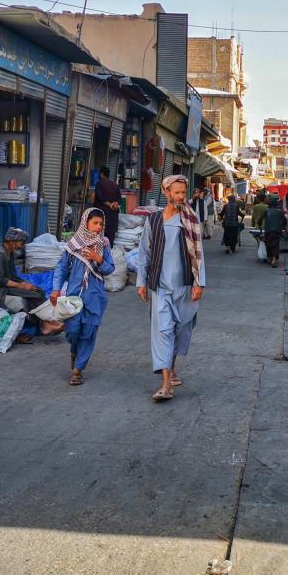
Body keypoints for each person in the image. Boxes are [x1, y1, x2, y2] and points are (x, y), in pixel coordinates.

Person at [136, 175, 206, 402]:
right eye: (175, 192)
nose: (179, 197)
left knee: (180, 330)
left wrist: (199, 283)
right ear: (166, 192)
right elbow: (144, 252)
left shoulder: (190, 219)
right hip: (160, 286)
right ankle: (165, 384)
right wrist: (141, 281)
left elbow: (198, 254)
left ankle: (172, 365)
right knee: (163, 331)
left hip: (185, 286)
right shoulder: (154, 220)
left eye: (182, 193)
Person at [51, 208, 115, 386]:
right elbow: (61, 269)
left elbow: (110, 269)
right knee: (72, 331)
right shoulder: (73, 245)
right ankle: (74, 351)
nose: (98, 227)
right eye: (95, 223)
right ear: (85, 222)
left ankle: (78, 369)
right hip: (74, 295)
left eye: (101, 224)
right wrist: (56, 290)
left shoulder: (104, 244)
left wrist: (98, 258)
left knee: (89, 331)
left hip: (95, 296)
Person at [0, 228, 45, 344]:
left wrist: (25, 284)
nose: (22, 245)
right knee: (22, 303)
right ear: (12, 241)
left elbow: (13, 275)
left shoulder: (9, 253)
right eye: (21, 242)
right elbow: (0, 280)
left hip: (7, 288)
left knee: (38, 292)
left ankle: (41, 325)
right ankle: (22, 333)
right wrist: (21, 287)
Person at [94, 166, 122, 245]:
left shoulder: (99, 183)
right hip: (112, 218)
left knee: (98, 242)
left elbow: (100, 197)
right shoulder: (115, 185)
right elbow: (119, 200)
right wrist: (114, 204)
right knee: (109, 244)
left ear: (101, 174)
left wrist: (109, 204)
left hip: (100, 216)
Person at [264, 194, 287, 268]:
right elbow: (285, 220)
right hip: (276, 231)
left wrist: (259, 224)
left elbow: (261, 219)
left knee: (268, 244)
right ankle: (273, 260)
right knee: (275, 245)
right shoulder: (279, 211)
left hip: (268, 231)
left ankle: (270, 258)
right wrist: (283, 226)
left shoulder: (267, 211)